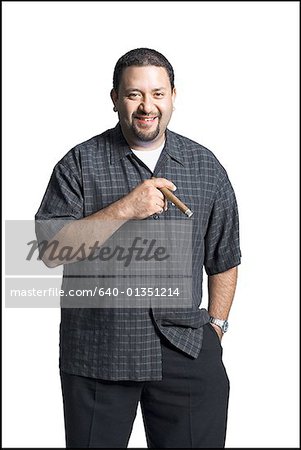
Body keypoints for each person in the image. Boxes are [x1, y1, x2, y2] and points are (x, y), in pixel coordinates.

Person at [35, 48, 241, 448]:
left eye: (158, 94)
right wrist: (127, 208)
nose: (147, 106)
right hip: (98, 353)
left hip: (185, 350)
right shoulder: (79, 164)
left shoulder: (205, 166)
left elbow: (225, 257)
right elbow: (48, 250)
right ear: (114, 98)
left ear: (174, 96)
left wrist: (216, 329)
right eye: (134, 94)